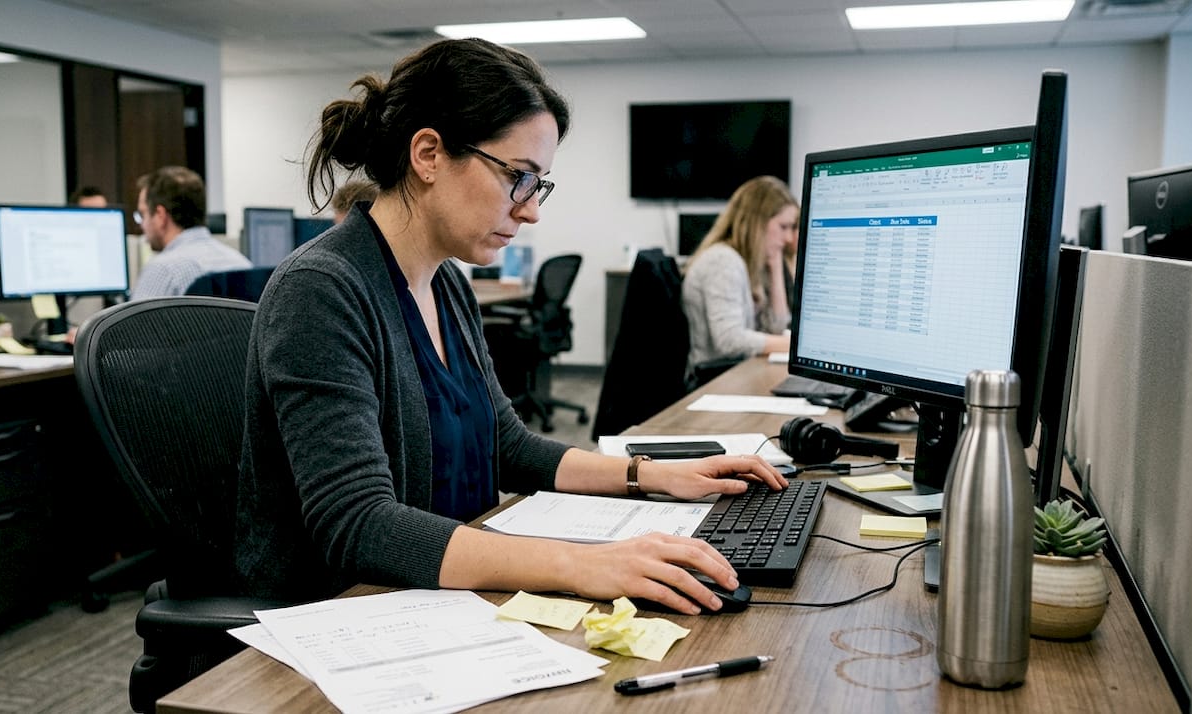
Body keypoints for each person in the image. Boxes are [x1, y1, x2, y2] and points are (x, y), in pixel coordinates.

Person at [234, 38, 786, 614]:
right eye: (518, 176)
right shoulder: (322, 289)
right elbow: (358, 523)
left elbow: (506, 446)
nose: (531, 209)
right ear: (428, 154)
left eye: (538, 183)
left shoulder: (445, 281)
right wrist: (582, 563)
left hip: (445, 593)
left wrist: (650, 475)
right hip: (345, 617)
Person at [681, 175, 799, 371]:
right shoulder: (722, 261)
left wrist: (776, 266)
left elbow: (777, 328)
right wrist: (795, 346)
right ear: (757, 223)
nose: (788, 238)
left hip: (732, 371)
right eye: (783, 227)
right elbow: (729, 340)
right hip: (711, 377)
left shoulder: (747, 263)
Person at [131, 166, 251, 299]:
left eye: (143, 214)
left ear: (160, 216)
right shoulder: (241, 263)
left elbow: (131, 320)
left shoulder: (163, 271)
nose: (141, 224)